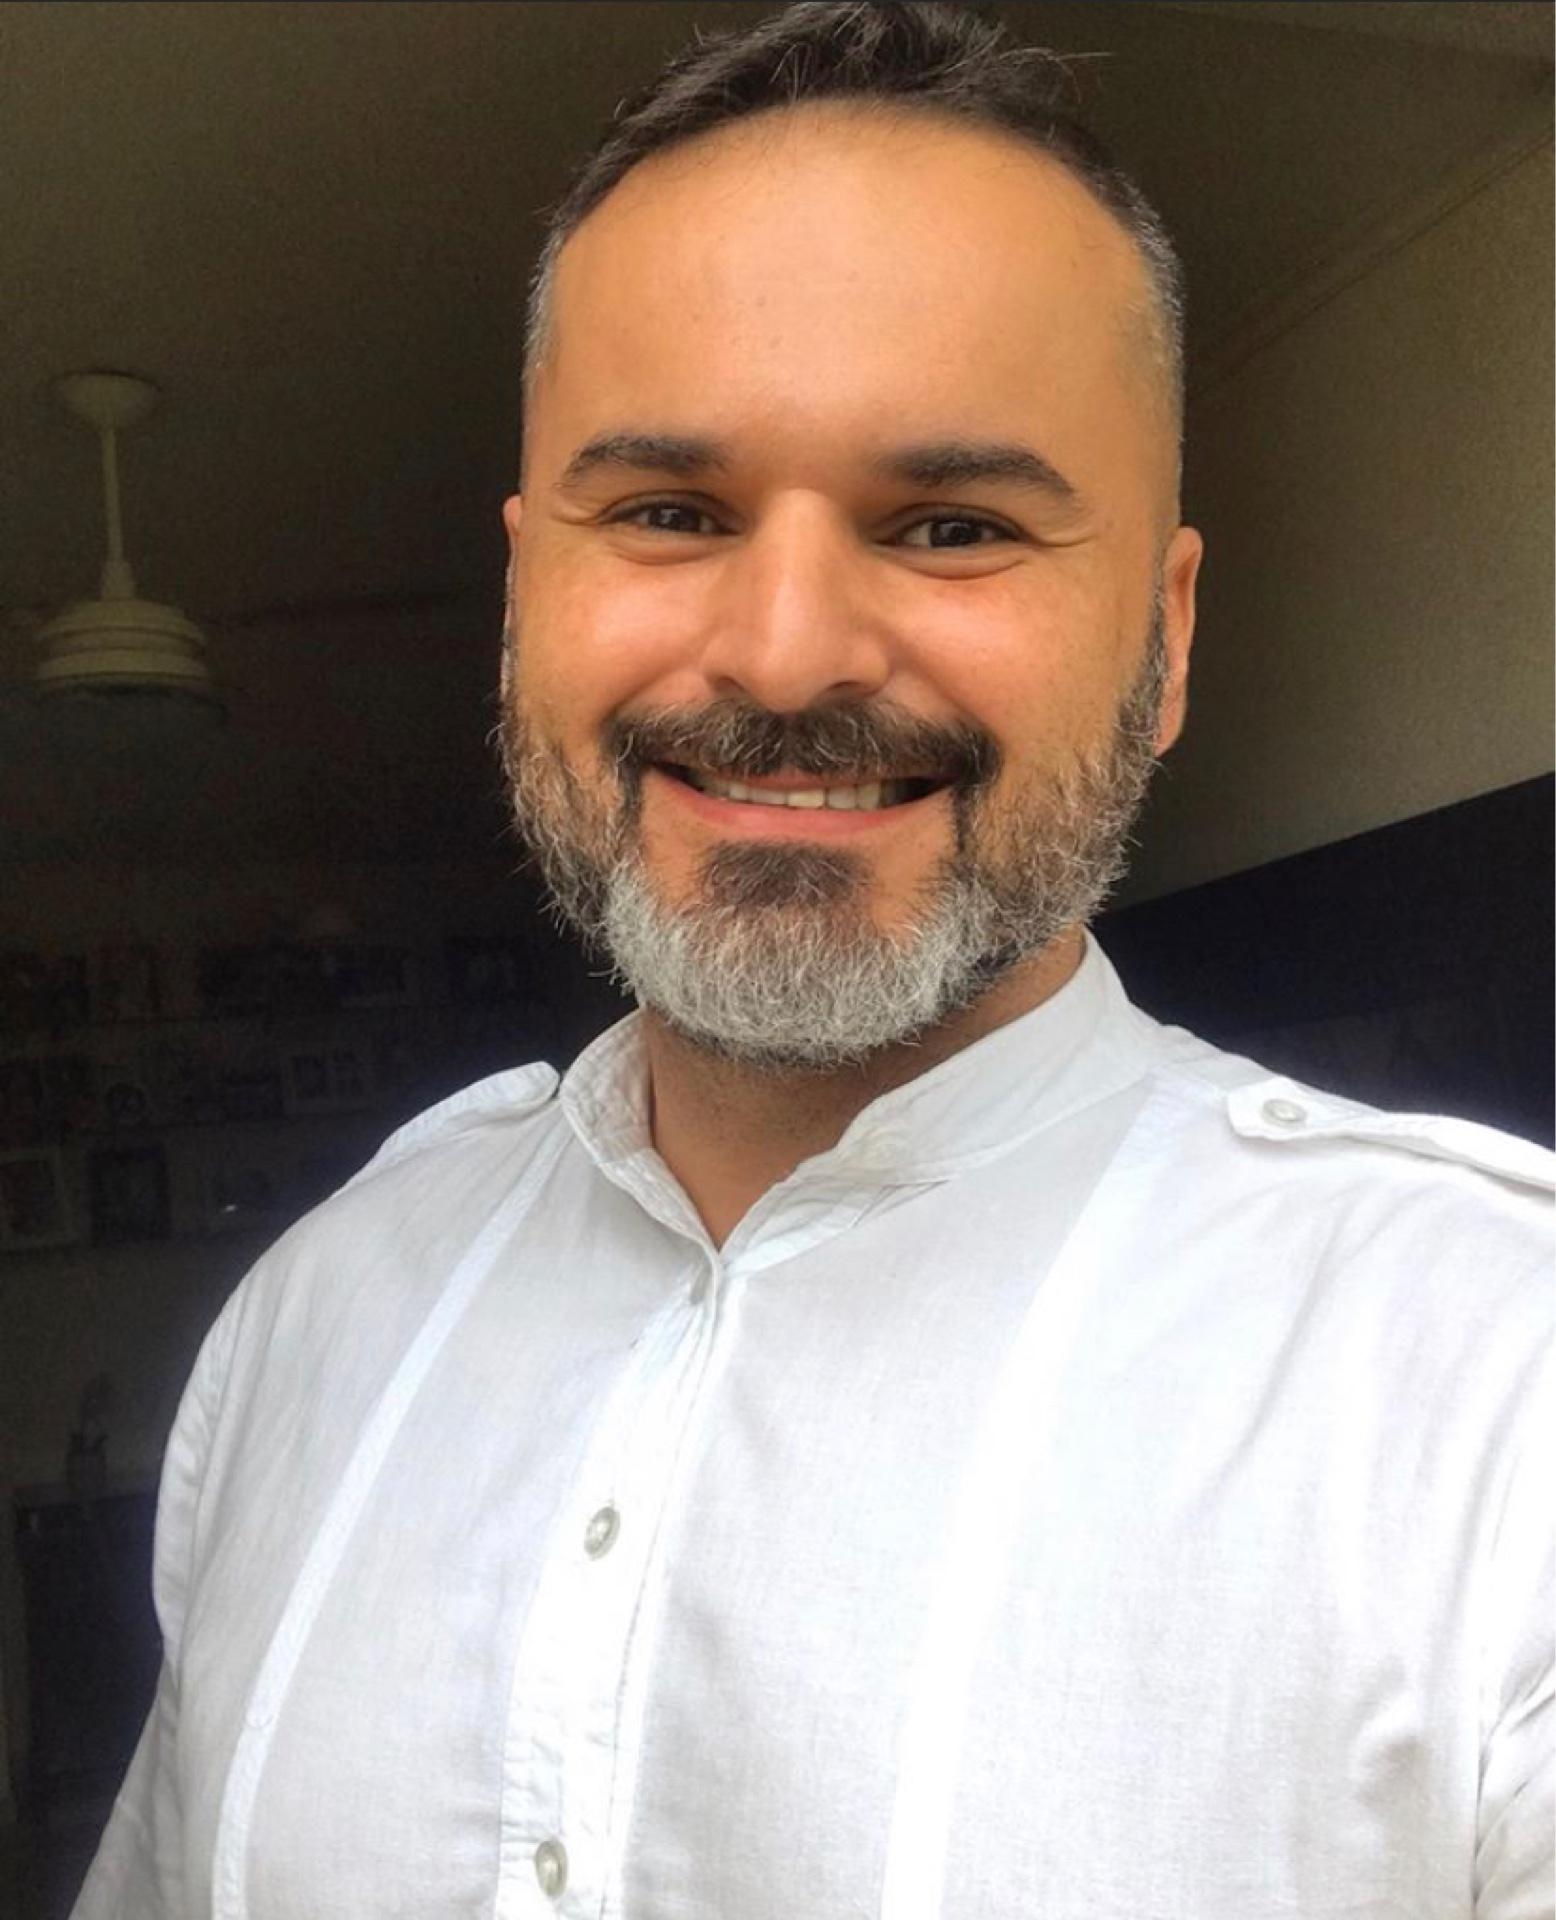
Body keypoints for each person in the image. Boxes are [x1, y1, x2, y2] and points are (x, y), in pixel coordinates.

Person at [75, 6, 1551, 1917]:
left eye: (950, 524)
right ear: (525, 597)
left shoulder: (1487, 1396)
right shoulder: (313, 1319)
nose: (783, 655)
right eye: (669, 513)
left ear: (1167, 639)